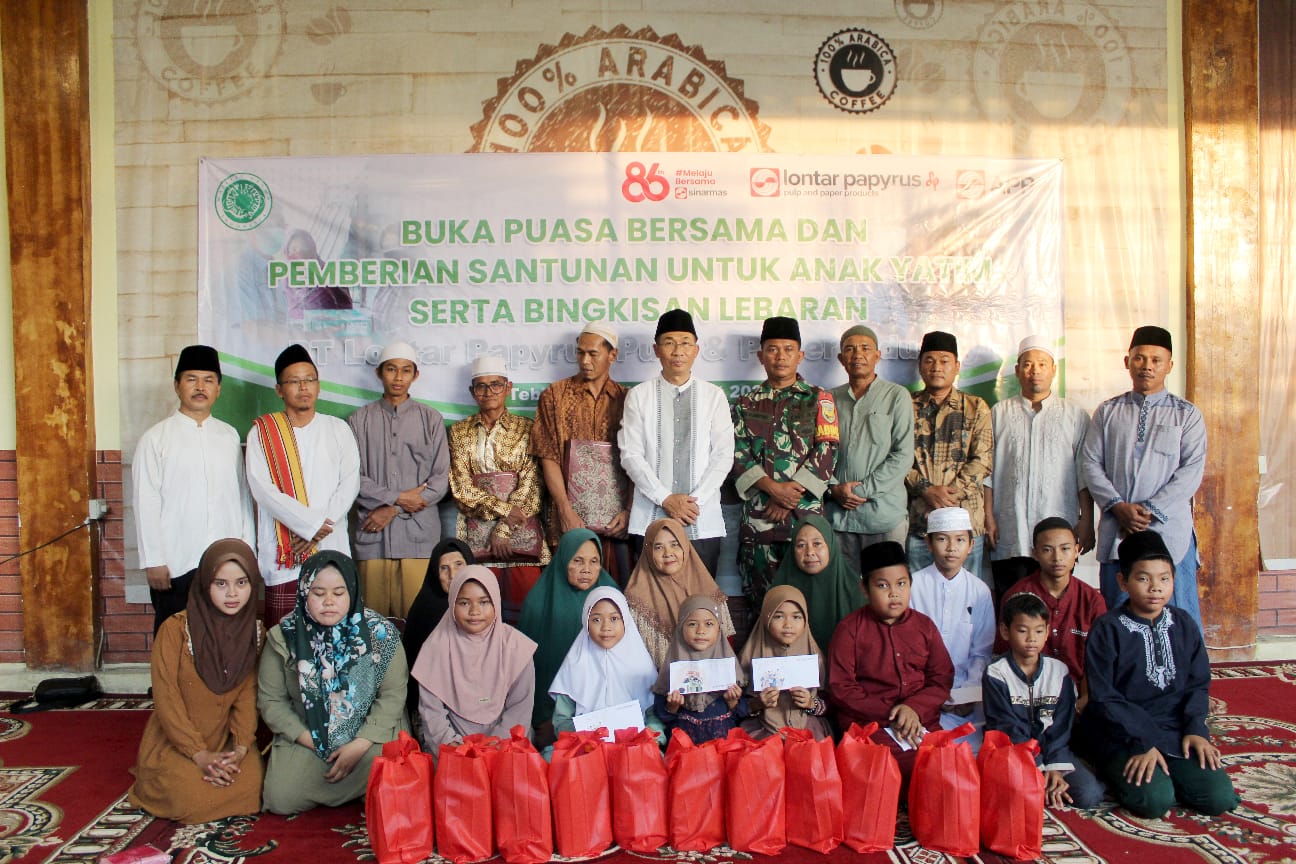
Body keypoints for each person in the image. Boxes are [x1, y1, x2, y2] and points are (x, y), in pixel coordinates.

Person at [1081, 531, 1238, 819]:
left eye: (1164, 578)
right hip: (1122, 734)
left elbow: (1198, 683)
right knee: (1154, 801)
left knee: (1219, 798)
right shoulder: (1107, 629)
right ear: (1123, 582)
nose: (1155, 588)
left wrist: (1195, 729)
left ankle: (1173, 772)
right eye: (1143, 578)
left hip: (1175, 729)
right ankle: (1117, 768)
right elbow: (1104, 698)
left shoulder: (1184, 623)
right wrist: (1142, 742)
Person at [257, 551, 409, 815]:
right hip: (310, 733)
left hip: (369, 734)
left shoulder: (380, 634)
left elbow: (393, 696)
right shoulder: (284, 637)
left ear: (352, 592)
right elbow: (271, 701)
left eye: (338, 593)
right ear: (304, 593)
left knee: (394, 781)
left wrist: (360, 743)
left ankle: (368, 784)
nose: (329, 602)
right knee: (281, 798)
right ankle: (362, 789)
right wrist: (311, 740)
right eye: (318, 593)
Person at [127, 539, 265, 823]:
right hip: (177, 742)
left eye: (241, 583)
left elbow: (246, 696)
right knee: (189, 798)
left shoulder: (253, 632)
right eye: (221, 584)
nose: (232, 594)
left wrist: (240, 747)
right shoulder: (175, 630)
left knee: (255, 790)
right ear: (205, 584)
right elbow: (167, 700)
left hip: (226, 742)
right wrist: (198, 753)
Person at [1081, 325, 1207, 627]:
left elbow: (1191, 471)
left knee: (1180, 619)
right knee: (1119, 617)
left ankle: (1185, 676)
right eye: (1139, 358)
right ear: (1127, 362)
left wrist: (1150, 511)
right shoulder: (1108, 411)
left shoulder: (1186, 414)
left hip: (1168, 531)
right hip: (1118, 527)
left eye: (1156, 360)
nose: (1147, 366)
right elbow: (1090, 462)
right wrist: (1118, 507)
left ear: (1169, 366)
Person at [133, 345, 255, 633]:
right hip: (176, 562)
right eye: (191, 379)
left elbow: (242, 496)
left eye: (208, 380)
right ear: (177, 385)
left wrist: (246, 551)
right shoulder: (155, 439)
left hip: (226, 563)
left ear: (218, 389)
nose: (200, 387)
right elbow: (145, 501)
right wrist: (154, 560)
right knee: (174, 638)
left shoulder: (228, 436)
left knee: (224, 637)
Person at [247, 344, 361, 626]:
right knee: (284, 642)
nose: (303, 387)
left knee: (335, 642)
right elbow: (262, 489)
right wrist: (310, 527)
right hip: (285, 556)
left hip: (330, 547)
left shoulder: (338, 429)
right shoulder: (262, 433)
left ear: (319, 385)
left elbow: (349, 483)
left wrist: (318, 530)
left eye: (309, 379)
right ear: (279, 389)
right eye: (294, 381)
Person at [828, 540, 954, 793]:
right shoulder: (850, 629)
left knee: (946, 765)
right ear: (864, 588)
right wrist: (896, 712)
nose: (894, 593)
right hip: (871, 723)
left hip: (920, 720)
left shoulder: (924, 626)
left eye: (901, 584)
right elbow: (841, 688)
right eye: (882, 586)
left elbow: (941, 677)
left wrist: (913, 709)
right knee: (883, 768)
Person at [731, 316, 839, 610]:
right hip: (759, 521)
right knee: (762, 606)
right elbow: (736, 452)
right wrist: (772, 489)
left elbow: (828, 450)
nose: (780, 357)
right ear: (760, 355)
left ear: (800, 355)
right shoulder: (744, 405)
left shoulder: (819, 399)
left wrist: (789, 496)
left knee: (810, 602)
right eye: (773, 349)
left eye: (788, 349)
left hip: (805, 523)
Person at [619, 309, 735, 577]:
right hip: (650, 518)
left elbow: (723, 455)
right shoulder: (638, 396)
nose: (677, 350)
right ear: (656, 350)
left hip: (701, 520)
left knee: (701, 604)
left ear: (696, 350)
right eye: (669, 342)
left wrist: (693, 502)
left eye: (685, 342)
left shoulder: (714, 396)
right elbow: (630, 455)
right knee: (650, 604)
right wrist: (666, 498)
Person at [984, 335, 1095, 606]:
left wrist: (1087, 520)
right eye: (1028, 364)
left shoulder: (1075, 416)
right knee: (1012, 606)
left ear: (1054, 369)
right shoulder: (999, 413)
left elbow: (1084, 473)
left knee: (1057, 604)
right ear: (1017, 370)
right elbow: (986, 471)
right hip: (1011, 531)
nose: (1035, 371)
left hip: (1059, 533)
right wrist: (988, 516)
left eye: (1042, 364)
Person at [346, 341, 450, 619]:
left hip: (418, 536)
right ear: (379, 373)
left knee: (418, 621)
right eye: (391, 369)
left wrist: (393, 508)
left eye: (406, 370)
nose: (398, 377)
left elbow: (440, 480)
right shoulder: (359, 420)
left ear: (415, 375)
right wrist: (400, 497)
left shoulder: (430, 419)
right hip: (373, 536)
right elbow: (353, 478)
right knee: (373, 623)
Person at [448, 356, 549, 623]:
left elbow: (533, 486)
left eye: (495, 385)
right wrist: (505, 511)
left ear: (508, 387)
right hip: (477, 540)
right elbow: (461, 488)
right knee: (478, 616)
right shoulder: (459, 432)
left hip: (523, 541)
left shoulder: (528, 429)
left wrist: (504, 529)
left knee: (527, 617)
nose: (488, 392)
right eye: (481, 386)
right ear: (472, 392)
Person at [530, 323, 633, 580]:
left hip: (616, 522)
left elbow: (636, 461)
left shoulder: (628, 399)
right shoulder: (554, 396)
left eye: (593, 354)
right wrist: (565, 510)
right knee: (569, 594)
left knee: (614, 598)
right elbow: (548, 456)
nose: (584, 360)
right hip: (568, 520)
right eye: (580, 353)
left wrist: (629, 511)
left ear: (612, 355)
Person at [983, 592, 1105, 809]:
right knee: (1016, 795)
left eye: (1039, 631)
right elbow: (1007, 727)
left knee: (1089, 794)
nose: (1031, 639)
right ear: (1005, 631)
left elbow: (1061, 727)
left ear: (1047, 632)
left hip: (1054, 751)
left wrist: (1055, 768)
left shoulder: (1058, 672)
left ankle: (1048, 785)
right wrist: (1038, 766)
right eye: (1022, 631)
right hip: (1014, 753)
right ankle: (1040, 786)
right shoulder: (996, 673)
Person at [411, 565, 538, 754]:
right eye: (464, 603)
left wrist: (496, 746)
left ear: (496, 601)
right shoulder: (435, 647)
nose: (474, 611)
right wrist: (454, 746)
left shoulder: (515, 647)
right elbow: (432, 712)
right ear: (452, 602)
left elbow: (520, 707)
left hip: (506, 744)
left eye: (484, 602)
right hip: (452, 748)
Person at [905, 331, 993, 581]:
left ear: (956, 367)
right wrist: (926, 489)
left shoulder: (976, 407)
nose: (936, 367)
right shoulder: (905, 406)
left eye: (944, 361)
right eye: (929, 360)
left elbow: (983, 460)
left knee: (965, 601)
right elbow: (896, 456)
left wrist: (947, 495)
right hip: (920, 521)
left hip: (965, 523)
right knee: (919, 600)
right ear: (920, 366)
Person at [826, 325, 914, 573]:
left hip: (883, 516)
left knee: (886, 593)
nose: (857, 355)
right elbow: (820, 453)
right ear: (841, 359)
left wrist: (861, 491)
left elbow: (903, 454)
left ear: (878, 355)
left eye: (865, 348)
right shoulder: (828, 399)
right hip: (839, 518)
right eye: (850, 350)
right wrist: (834, 488)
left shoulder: (897, 396)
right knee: (846, 595)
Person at [516, 528, 618, 741]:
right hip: (550, 716)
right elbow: (528, 669)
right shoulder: (538, 603)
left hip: (605, 715)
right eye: (578, 561)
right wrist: (540, 717)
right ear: (563, 560)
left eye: (594, 561)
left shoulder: (611, 597)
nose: (586, 569)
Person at [994, 517, 1107, 709]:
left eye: (1065, 549)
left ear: (1077, 550)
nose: (1057, 558)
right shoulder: (1017, 595)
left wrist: (1085, 698)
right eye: (1047, 550)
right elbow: (1003, 653)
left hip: (1080, 696)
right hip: (1027, 696)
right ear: (1035, 554)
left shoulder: (1091, 600)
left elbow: (1099, 659)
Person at [908, 506, 995, 750]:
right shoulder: (913, 586)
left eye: (959, 540)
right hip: (921, 693)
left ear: (971, 544)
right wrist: (930, 695)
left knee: (969, 754)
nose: (951, 548)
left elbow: (982, 652)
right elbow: (909, 650)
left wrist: (967, 693)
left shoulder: (979, 591)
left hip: (966, 697)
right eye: (942, 539)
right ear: (928, 543)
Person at [549, 586, 663, 737]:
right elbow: (561, 721)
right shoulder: (575, 664)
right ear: (586, 622)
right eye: (596, 619)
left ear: (625, 621)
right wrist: (585, 734)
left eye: (614, 619)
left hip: (633, 745)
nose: (606, 627)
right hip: (586, 747)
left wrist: (653, 735)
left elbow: (654, 715)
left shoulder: (641, 665)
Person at [624, 517, 736, 668]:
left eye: (675, 545)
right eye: (658, 547)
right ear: (648, 551)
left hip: (709, 682)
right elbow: (629, 658)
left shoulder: (709, 592)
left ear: (685, 547)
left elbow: (726, 649)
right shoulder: (634, 601)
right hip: (654, 686)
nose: (667, 553)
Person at [651, 595, 750, 744]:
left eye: (709, 624)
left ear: (719, 629)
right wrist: (672, 706)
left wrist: (733, 702)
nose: (700, 631)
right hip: (684, 748)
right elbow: (662, 716)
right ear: (680, 628)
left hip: (722, 747)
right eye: (692, 624)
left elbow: (742, 716)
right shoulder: (672, 667)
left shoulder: (730, 669)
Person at [738, 584, 830, 740]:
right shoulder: (749, 657)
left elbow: (830, 704)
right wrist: (758, 704)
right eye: (778, 616)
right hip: (762, 730)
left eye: (796, 617)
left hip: (807, 729)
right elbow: (735, 707)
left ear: (805, 620)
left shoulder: (815, 657)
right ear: (766, 618)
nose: (788, 625)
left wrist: (810, 703)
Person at [401, 538, 474, 717]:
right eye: (444, 568)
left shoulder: (485, 605)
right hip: (432, 707)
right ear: (435, 573)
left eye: (459, 564)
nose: (453, 574)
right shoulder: (425, 610)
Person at [768, 514, 863, 650]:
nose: (810, 552)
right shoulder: (779, 592)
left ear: (830, 545)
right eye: (801, 545)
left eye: (817, 544)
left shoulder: (856, 592)